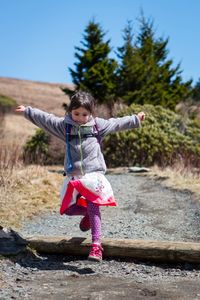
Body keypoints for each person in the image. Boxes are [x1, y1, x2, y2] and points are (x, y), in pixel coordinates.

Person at [16, 90, 145, 262]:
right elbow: (46, 119)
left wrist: (135, 119)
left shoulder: (97, 126)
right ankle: (88, 215)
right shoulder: (65, 126)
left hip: (93, 175)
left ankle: (96, 246)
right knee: (67, 209)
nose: (80, 117)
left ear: (91, 113)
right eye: (76, 113)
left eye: (84, 114)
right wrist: (27, 111)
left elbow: (116, 123)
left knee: (94, 204)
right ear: (70, 111)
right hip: (74, 175)